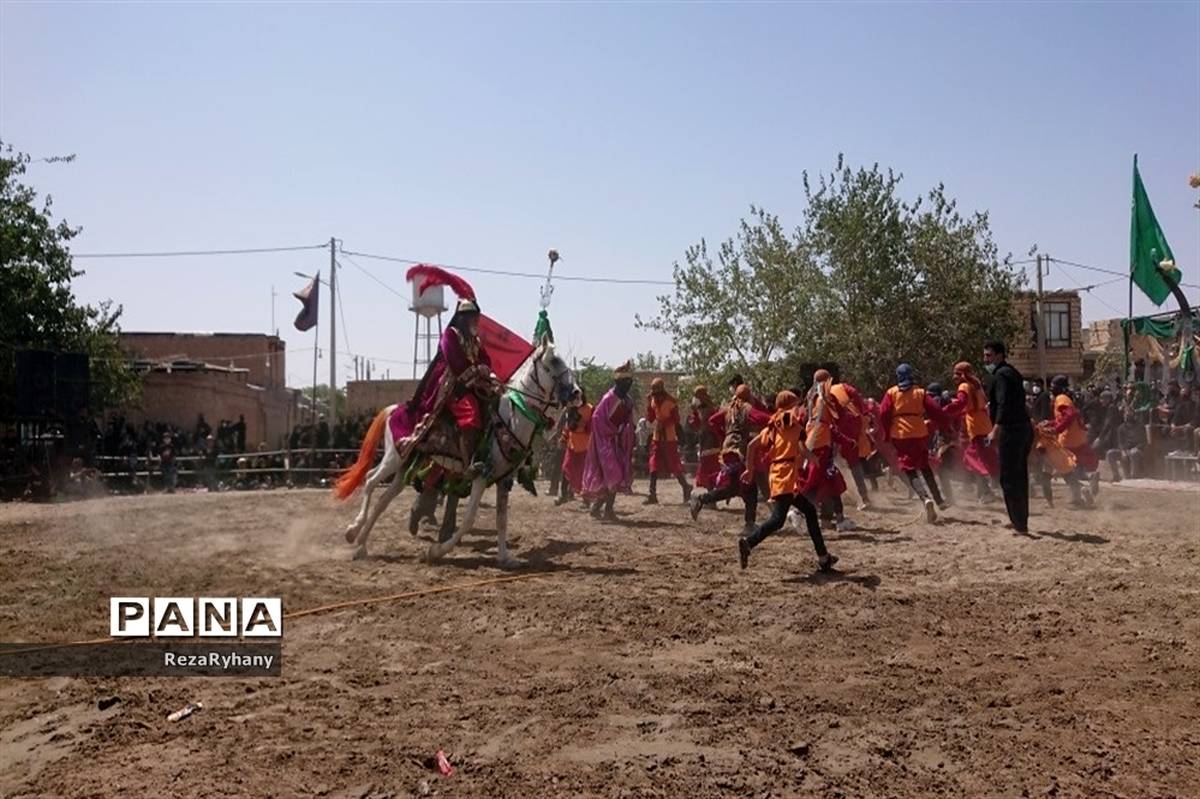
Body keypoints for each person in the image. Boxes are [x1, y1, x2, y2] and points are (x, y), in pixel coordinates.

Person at [389, 274, 496, 474]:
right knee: (471, 413)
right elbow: (454, 361)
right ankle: (468, 463)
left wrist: (485, 370)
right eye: (471, 317)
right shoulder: (450, 335)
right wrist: (474, 371)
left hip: (474, 385)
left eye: (476, 317)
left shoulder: (475, 340)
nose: (475, 321)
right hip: (453, 387)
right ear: (462, 318)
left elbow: (485, 359)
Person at [736, 391, 837, 572]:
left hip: (779, 474)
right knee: (777, 520)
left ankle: (823, 558)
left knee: (809, 510)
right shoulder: (792, 422)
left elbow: (752, 446)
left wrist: (749, 469)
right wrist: (814, 458)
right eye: (796, 404)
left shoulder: (773, 425)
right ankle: (748, 543)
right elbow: (801, 446)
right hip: (786, 476)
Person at [689, 383, 770, 535]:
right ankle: (749, 523)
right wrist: (778, 418)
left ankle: (702, 499)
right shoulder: (747, 408)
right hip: (739, 451)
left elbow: (713, 420)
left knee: (736, 487)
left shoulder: (728, 408)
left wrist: (724, 434)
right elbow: (763, 419)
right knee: (748, 487)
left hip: (728, 450)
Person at [878, 363, 951, 522]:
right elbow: (936, 411)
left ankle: (925, 498)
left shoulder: (891, 393)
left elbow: (883, 413)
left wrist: (886, 433)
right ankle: (939, 500)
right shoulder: (920, 392)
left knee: (909, 468)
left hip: (900, 434)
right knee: (924, 466)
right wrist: (946, 425)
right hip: (919, 432)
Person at [983, 341, 1034, 531]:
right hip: (1023, 428)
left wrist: (996, 428)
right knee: (1019, 475)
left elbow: (1004, 403)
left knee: (1009, 477)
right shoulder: (1012, 372)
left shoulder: (1001, 375)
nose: (986, 359)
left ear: (999, 355)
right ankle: (1021, 520)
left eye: (989, 355)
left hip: (1011, 430)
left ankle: (1018, 522)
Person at [796, 370, 854, 531]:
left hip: (813, 440)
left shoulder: (810, 398)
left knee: (830, 481)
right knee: (815, 483)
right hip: (820, 443)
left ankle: (832, 520)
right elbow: (838, 419)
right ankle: (797, 512)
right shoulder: (824, 398)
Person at [583, 361, 636, 521]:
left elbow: (629, 421)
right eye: (625, 382)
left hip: (619, 443)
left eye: (629, 382)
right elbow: (597, 419)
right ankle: (608, 510)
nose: (628, 385)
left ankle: (599, 507)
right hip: (604, 443)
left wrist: (626, 430)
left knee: (614, 477)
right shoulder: (608, 399)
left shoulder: (628, 401)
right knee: (614, 475)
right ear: (618, 382)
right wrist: (613, 430)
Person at [942, 361, 1000, 503]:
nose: (954, 376)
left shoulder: (964, 386)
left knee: (972, 457)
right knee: (981, 457)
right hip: (983, 424)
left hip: (976, 426)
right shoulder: (976, 385)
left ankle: (989, 488)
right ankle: (984, 492)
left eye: (956, 373)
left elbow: (961, 403)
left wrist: (943, 411)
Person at [1043, 374, 1100, 505]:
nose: (1052, 389)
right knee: (1077, 464)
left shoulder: (1061, 398)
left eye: (1053, 387)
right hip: (1079, 436)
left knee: (1063, 468)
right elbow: (1064, 418)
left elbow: (1069, 415)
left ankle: (1078, 492)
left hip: (1067, 439)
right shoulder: (1067, 399)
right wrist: (1051, 423)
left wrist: (1056, 429)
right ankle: (1090, 478)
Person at [643, 378, 692, 505]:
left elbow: (676, 419)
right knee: (653, 463)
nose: (654, 392)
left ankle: (686, 487)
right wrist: (648, 405)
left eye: (656, 389)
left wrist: (664, 424)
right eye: (653, 389)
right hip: (657, 438)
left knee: (674, 464)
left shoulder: (671, 402)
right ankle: (652, 494)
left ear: (661, 389)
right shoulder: (653, 400)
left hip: (669, 438)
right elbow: (651, 417)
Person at [828, 378, 874, 509]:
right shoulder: (842, 387)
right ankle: (863, 497)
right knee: (852, 461)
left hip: (838, 427)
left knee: (831, 459)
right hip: (854, 422)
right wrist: (863, 411)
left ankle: (834, 497)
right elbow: (855, 394)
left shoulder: (821, 395)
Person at [556, 389, 593, 505]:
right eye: (574, 398)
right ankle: (563, 495)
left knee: (584, 473)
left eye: (578, 397)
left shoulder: (590, 409)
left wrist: (585, 425)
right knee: (566, 469)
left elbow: (594, 425)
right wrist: (563, 437)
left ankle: (586, 499)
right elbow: (567, 426)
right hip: (572, 445)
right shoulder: (571, 410)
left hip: (585, 445)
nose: (576, 400)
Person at [688, 386, 722, 492]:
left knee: (710, 464)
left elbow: (709, 422)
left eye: (697, 395)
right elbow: (697, 425)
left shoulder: (710, 407)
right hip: (704, 437)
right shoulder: (701, 407)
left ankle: (712, 492)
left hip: (711, 438)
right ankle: (710, 492)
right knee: (706, 464)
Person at [1106, 409, 1147, 481]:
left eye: (1129, 414)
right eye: (1126, 414)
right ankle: (1116, 476)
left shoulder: (1140, 426)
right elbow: (1120, 443)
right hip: (1125, 450)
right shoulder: (1121, 428)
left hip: (1137, 450)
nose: (1127, 416)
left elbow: (1143, 441)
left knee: (1134, 453)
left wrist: (1136, 448)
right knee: (1110, 453)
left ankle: (1134, 476)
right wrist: (1123, 451)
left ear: (1133, 415)